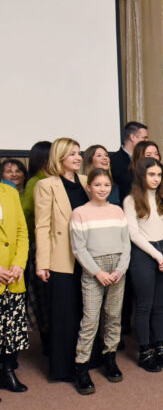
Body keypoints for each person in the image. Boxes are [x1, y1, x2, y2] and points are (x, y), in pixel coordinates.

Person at [69, 169, 130, 395]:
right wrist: (96, 272)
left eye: (106, 185)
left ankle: (110, 358)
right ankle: (81, 366)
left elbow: (126, 244)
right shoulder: (80, 213)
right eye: (97, 185)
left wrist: (120, 269)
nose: (102, 189)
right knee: (91, 319)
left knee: (114, 316)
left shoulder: (117, 211)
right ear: (89, 187)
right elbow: (78, 248)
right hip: (93, 269)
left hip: (117, 269)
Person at [34, 138, 88, 381]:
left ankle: (88, 359)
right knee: (65, 315)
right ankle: (64, 368)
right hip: (61, 259)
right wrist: (42, 262)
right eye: (72, 154)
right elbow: (42, 226)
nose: (78, 157)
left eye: (79, 153)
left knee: (87, 312)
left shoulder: (88, 183)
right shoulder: (47, 185)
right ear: (60, 157)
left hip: (88, 258)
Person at [124, 158, 163, 372]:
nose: (156, 179)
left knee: (160, 306)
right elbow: (134, 234)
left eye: (158, 175)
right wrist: (157, 256)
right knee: (144, 306)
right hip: (144, 254)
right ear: (142, 176)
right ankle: (145, 351)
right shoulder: (130, 200)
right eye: (151, 174)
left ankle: (160, 347)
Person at [20, 141, 51, 355]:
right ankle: (47, 342)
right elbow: (27, 219)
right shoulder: (35, 183)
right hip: (38, 248)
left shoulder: (54, 180)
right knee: (43, 300)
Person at [0, 181, 30, 395]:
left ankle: (7, 371)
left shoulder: (9, 192)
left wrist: (19, 263)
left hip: (13, 274)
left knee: (12, 329)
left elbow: (21, 231)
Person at [110, 121, 148, 202]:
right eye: (144, 138)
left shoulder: (146, 159)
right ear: (132, 137)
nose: (146, 142)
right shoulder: (114, 160)